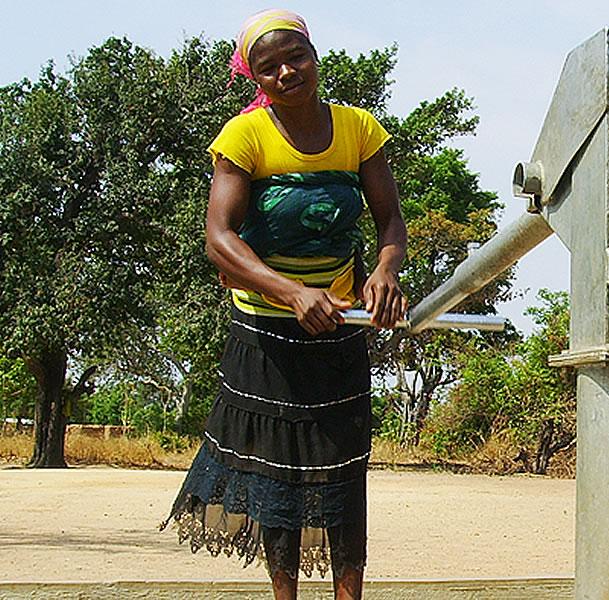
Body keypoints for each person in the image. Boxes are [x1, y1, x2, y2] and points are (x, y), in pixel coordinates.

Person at [162, 9, 407, 600]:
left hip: (339, 329)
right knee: (279, 478)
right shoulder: (245, 136)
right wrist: (293, 292)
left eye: (295, 56)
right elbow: (219, 238)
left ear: (315, 55)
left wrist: (383, 271)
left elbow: (390, 219)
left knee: (344, 474)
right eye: (269, 67)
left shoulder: (358, 129)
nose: (287, 72)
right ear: (256, 78)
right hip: (266, 331)